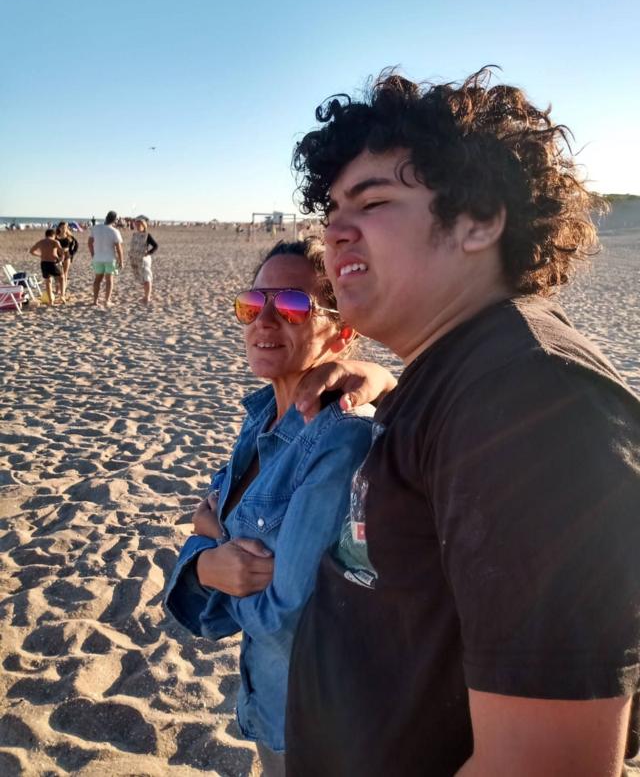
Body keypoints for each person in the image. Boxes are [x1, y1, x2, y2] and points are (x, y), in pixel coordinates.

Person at [285, 69, 640, 776]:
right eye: (330, 210)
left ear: (479, 219)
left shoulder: (533, 402)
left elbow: (542, 765)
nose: (334, 229)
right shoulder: (467, 375)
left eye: (373, 199)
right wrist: (390, 388)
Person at [164, 238, 376, 777]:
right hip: (268, 706)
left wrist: (206, 556)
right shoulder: (260, 419)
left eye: (292, 306)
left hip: (321, 728)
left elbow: (288, 618)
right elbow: (210, 617)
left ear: (342, 329)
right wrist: (212, 563)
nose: (264, 321)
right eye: (252, 304)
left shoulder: (339, 441)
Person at [88, 210, 123, 307]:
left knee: (97, 279)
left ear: (106, 217)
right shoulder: (114, 231)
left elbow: (89, 243)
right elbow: (119, 248)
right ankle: (107, 301)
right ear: (115, 220)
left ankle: (95, 301)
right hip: (109, 258)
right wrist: (121, 260)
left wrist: (93, 254)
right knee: (109, 280)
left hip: (98, 258)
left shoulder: (95, 228)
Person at [29, 229, 64, 304]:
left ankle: (51, 301)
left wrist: (40, 255)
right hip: (52, 263)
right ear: (53, 235)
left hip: (43, 263)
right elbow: (61, 251)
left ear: (46, 235)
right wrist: (60, 258)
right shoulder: (55, 242)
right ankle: (62, 295)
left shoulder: (40, 242)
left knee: (48, 281)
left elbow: (31, 251)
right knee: (61, 277)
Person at [129, 217, 158, 304]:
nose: (137, 226)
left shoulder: (147, 235)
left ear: (143, 225)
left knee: (147, 278)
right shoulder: (135, 235)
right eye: (136, 224)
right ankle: (145, 296)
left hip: (144, 259)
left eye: (139, 224)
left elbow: (155, 246)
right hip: (137, 259)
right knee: (143, 278)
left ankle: (147, 297)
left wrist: (148, 253)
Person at [55, 221, 79, 297]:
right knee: (57, 274)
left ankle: (63, 291)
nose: (64, 229)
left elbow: (76, 245)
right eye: (62, 227)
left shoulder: (69, 237)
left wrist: (72, 253)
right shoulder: (56, 237)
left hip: (67, 256)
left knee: (65, 273)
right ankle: (57, 290)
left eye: (66, 227)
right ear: (59, 228)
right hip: (57, 257)